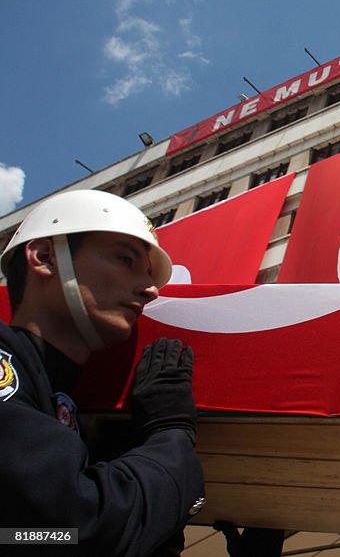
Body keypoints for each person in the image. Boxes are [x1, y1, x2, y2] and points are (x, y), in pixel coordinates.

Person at [0, 189, 205, 556]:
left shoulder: (54, 396)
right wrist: (170, 435)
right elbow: (70, 532)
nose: (151, 291)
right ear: (45, 257)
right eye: (126, 260)